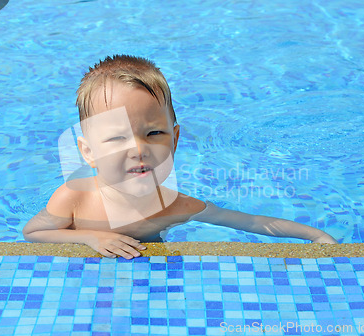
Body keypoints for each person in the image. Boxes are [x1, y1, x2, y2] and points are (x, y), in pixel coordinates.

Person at [23, 55, 338, 259]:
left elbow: (249, 221)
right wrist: (90, 237)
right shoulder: (75, 198)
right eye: (117, 138)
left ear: (174, 140)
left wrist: (316, 234)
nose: (137, 149)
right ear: (88, 151)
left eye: (154, 133)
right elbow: (33, 232)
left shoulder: (173, 206)